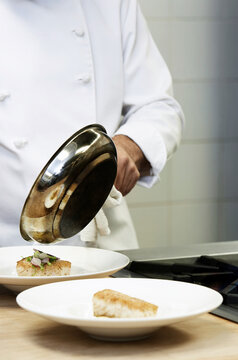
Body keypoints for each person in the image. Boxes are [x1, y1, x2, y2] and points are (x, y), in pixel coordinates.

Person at [0, 0, 184, 250]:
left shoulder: (111, 4)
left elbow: (159, 106)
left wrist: (129, 147)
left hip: (99, 243)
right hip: (6, 245)